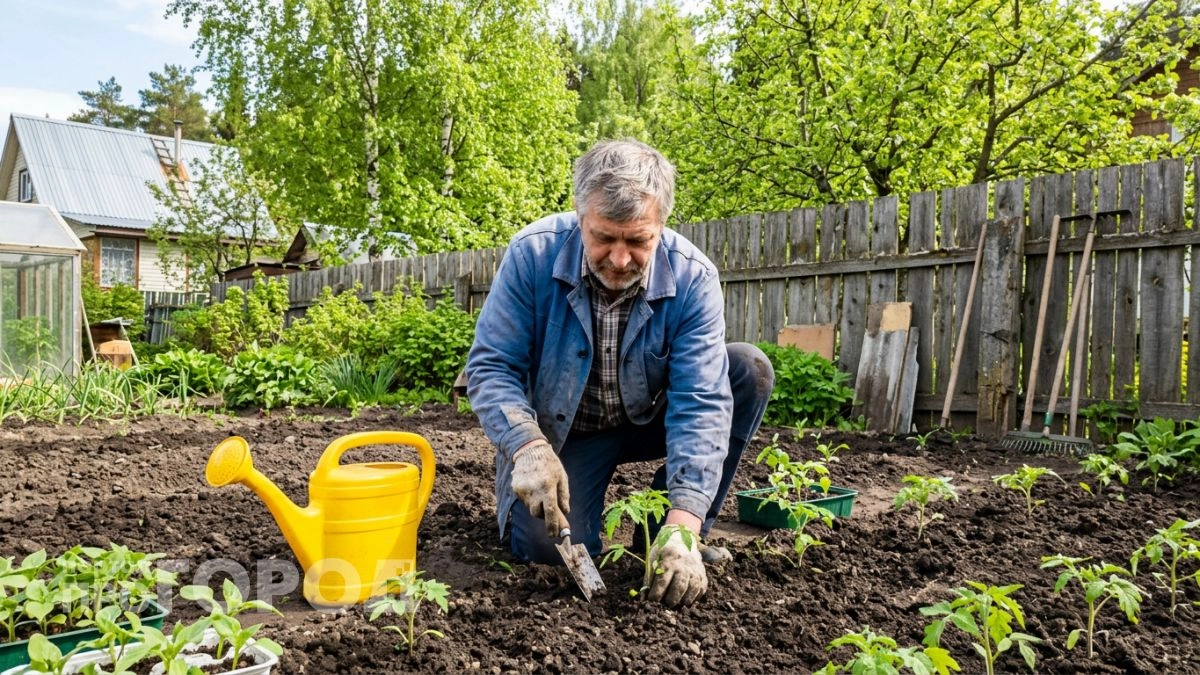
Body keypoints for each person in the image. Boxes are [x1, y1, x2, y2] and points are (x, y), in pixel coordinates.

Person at [466, 139, 774, 608]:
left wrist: (685, 523)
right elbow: (492, 366)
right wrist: (526, 445)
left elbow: (702, 403)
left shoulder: (692, 277)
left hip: (649, 419)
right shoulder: (533, 255)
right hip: (566, 431)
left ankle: (667, 534)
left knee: (747, 369)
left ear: (661, 225)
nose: (619, 259)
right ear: (580, 216)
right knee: (546, 551)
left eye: (637, 241)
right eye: (604, 238)